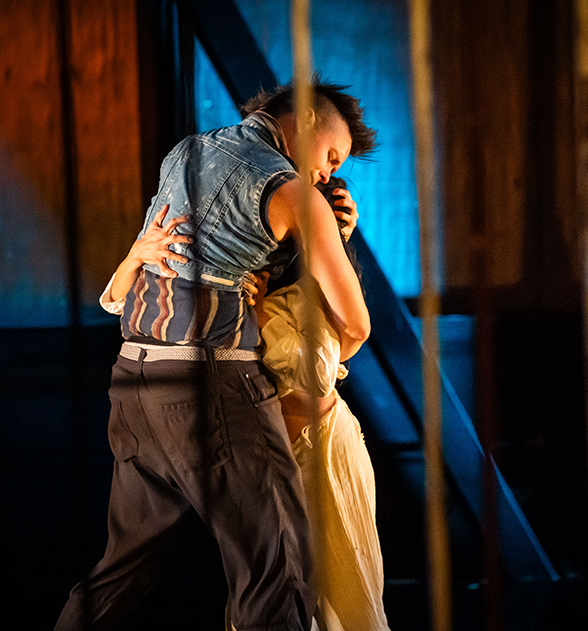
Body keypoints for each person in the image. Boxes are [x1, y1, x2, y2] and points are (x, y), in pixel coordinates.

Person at [54, 81, 376, 631]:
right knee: (277, 568)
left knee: (121, 569)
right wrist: (323, 361)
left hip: (133, 378)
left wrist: (320, 236)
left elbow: (135, 285)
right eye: (330, 156)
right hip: (212, 386)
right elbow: (354, 325)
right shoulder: (293, 192)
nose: (327, 173)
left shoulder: (186, 153)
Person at [100, 177, 391, 631]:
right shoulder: (228, 288)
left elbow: (314, 371)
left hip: (322, 451)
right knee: (268, 594)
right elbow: (122, 300)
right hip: (260, 455)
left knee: (346, 594)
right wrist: (136, 255)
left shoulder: (307, 292)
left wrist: (258, 312)